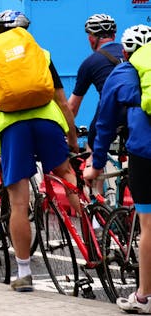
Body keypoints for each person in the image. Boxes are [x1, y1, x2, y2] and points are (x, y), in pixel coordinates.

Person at [0, 10, 79, 292]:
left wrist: (0, 148)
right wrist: (72, 140)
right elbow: (62, 101)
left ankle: (24, 273)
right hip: (48, 121)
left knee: (19, 204)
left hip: (13, 128)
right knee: (66, 173)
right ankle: (90, 240)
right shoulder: (42, 55)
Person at [84, 24, 151, 314]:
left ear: (125, 52)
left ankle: (143, 297)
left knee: (149, 226)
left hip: (144, 154)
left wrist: (96, 165)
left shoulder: (122, 73)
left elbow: (105, 125)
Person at [68, 14, 124, 150]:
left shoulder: (90, 62)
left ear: (91, 39)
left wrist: (67, 131)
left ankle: (92, 167)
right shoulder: (129, 52)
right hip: (137, 111)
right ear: (114, 36)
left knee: (91, 148)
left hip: (110, 112)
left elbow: (72, 108)